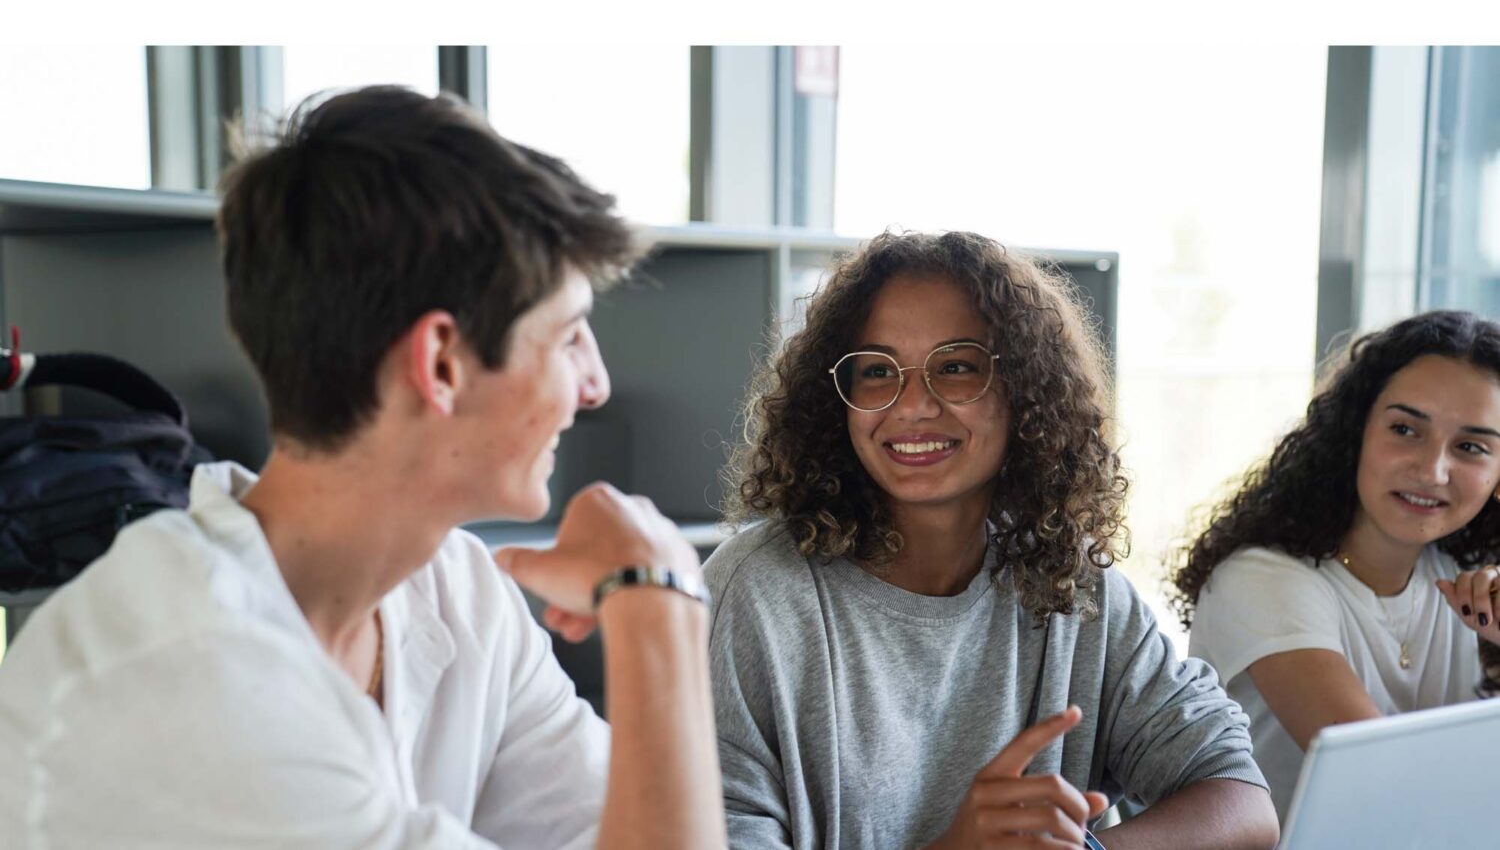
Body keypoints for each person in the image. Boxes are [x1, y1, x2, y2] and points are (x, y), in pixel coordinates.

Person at [0, 86, 725, 849]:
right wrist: (657, 601)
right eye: (570, 337)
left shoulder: (456, 588)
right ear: (441, 362)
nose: (596, 384)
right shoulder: (196, 679)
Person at [705, 230, 1279, 850]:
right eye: (876, 372)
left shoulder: (1072, 584)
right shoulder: (756, 594)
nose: (914, 405)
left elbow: (1242, 801)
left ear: (1025, 393)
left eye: (956, 367)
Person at [1172, 309, 1500, 821]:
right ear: (1355, 433)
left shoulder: (1470, 576)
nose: (1433, 470)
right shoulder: (1262, 580)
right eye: (1405, 429)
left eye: (1471, 447)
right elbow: (1384, 785)